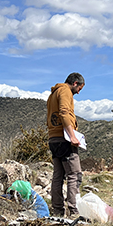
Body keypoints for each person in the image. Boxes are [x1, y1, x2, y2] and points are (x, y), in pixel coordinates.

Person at [46, 72, 84, 216]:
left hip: (53, 138)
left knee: (58, 176)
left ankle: (57, 211)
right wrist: (72, 136)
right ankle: (74, 211)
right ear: (75, 83)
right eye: (79, 88)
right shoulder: (65, 91)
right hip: (65, 139)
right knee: (74, 174)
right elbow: (64, 113)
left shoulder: (53, 94)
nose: (78, 92)